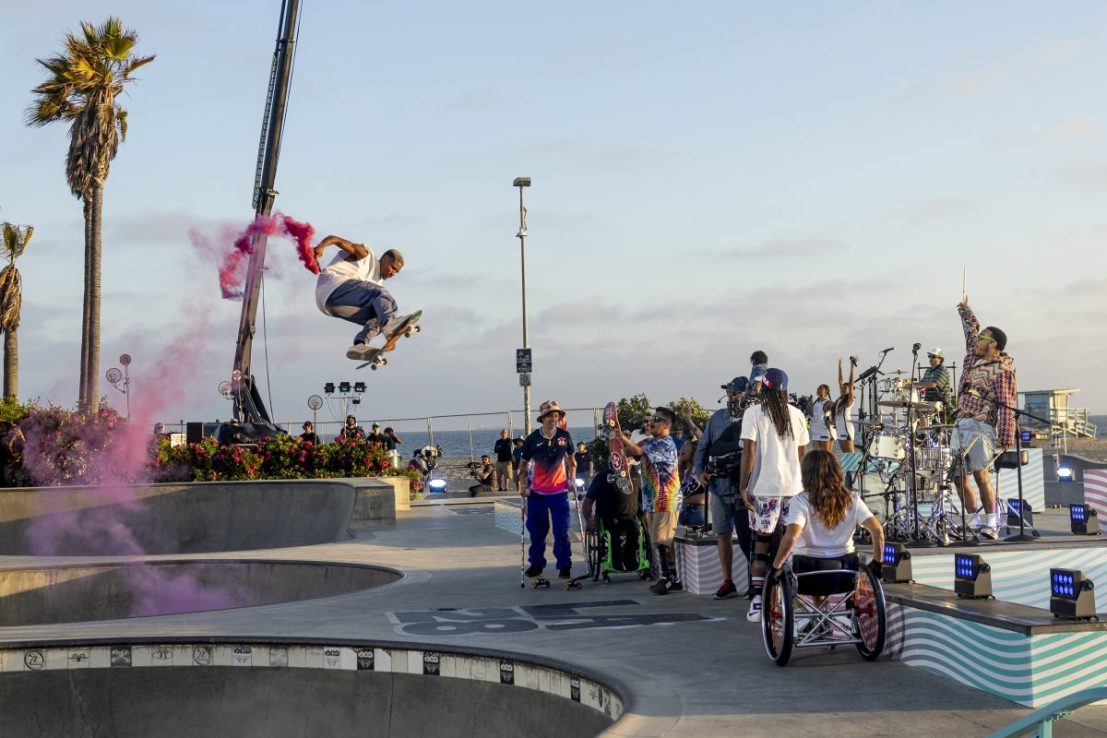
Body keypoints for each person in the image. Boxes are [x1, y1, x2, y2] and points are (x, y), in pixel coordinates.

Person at [739, 368, 810, 622]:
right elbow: (803, 455)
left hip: (764, 489)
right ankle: (793, 600)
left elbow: (748, 452)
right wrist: (806, 486)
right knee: (792, 545)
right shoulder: (797, 414)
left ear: (764, 388)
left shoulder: (753, 413)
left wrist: (743, 486)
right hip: (795, 489)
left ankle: (758, 602)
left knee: (761, 545)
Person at [771, 450, 885, 607]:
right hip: (844, 571)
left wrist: (775, 568)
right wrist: (877, 564)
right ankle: (827, 608)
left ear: (806, 474)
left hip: (807, 573)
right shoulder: (853, 500)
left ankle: (808, 609)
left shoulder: (800, 501)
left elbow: (791, 537)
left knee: (786, 567)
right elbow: (878, 531)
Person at [952, 296, 1016, 540]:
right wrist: (964, 309)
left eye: (982, 339)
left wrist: (1007, 435)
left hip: (981, 425)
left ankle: (992, 523)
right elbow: (970, 331)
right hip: (961, 423)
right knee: (957, 477)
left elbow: (1008, 403)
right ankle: (973, 521)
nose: (977, 341)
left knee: (981, 474)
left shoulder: (1002, 369)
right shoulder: (972, 360)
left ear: (994, 344)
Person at [694, 376, 753, 600]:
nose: (732, 395)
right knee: (722, 533)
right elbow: (703, 447)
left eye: (736, 392)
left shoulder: (753, 416)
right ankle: (728, 581)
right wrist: (700, 472)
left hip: (746, 487)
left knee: (749, 536)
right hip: (719, 486)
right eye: (730, 392)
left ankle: (755, 581)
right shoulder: (717, 417)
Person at [312, 234, 415, 361]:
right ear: (384, 259)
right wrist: (321, 246)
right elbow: (335, 239)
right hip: (334, 285)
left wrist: (392, 339)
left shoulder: (376, 284)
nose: (393, 273)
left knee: (378, 315)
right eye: (393, 268)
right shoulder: (365, 255)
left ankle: (360, 345)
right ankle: (390, 325)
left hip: (328, 305)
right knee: (382, 295)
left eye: (396, 272)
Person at [618, 406, 683, 595]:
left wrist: (621, 436)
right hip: (653, 499)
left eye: (656, 419)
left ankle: (667, 578)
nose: (651, 422)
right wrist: (615, 441)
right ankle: (671, 576)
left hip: (666, 498)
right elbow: (628, 452)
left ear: (667, 424)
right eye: (651, 418)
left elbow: (638, 452)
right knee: (659, 539)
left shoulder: (665, 444)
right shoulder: (650, 441)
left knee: (661, 540)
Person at [519, 401, 577, 580]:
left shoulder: (564, 436)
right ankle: (536, 564)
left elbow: (572, 460)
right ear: (543, 418)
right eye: (550, 416)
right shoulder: (532, 439)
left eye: (556, 415)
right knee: (537, 531)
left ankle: (564, 565)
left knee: (561, 530)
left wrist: (572, 478)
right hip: (537, 493)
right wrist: (522, 485)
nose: (553, 419)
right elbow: (523, 465)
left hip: (559, 492)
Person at [916, 348, 952, 422]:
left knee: (923, 410)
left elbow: (933, 385)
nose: (930, 358)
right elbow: (921, 384)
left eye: (933, 356)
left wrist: (917, 385)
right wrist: (909, 385)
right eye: (929, 356)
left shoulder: (943, 370)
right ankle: (924, 429)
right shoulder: (928, 370)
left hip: (941, 402)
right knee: (916, 409)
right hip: (929, 401)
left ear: (940, 359)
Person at [833, 357, 858, 452]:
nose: (842, 389)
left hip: (846, 429)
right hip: (840, 430)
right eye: (842, 388)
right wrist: (839, 366)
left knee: (851, 454)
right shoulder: (840, 399)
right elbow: (840, 381)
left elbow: (851, 383)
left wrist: (852, 367)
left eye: (845, 388)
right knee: (845, 455)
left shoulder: (849, 400)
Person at [808, 384, 837, 452]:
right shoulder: (815, 402)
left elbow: (836, 410)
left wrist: (834, 422)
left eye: (821, 389)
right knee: (817, 456)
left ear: (826, 391)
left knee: (826, 455)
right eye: (818, 388)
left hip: (825, 432)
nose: (819, 390)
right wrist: (807, 426)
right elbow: (810, 416)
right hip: (815, 433)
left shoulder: (828, 402)